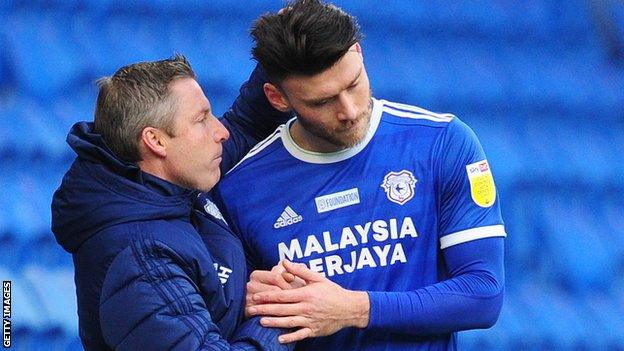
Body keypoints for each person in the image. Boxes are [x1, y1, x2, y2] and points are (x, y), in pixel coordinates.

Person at [214, 1, 506, 350]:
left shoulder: (441, 142)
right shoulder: (241, 187)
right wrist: (244, 299)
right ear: (278, 98)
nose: (349, 111)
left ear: (358, 51)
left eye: (353, 84)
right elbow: (231, 310)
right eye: (322, 102)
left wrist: (355, 309)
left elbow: (484, 293)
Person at [51, 55, 295, 350]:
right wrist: (281, 314)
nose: (221, 132)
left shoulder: (161, 185)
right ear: (156, 141)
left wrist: (281, 51)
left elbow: (247, 124)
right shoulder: (141, 258)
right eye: (201, 119)